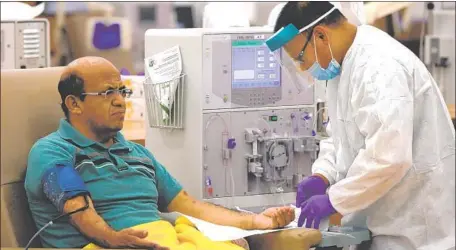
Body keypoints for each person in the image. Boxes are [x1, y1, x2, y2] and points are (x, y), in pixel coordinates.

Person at [24, 56, 295, 249]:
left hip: (160, 240)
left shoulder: (138, 154)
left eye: (122, 91)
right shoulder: (52, 151)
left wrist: (255, 220)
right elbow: (80, 211)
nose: (120, 100)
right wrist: (116, 240)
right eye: (107, 92)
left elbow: (188, 206)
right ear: (74, 104)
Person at [266, 1, 455, 250]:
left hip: (417, 230)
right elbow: (340, 137)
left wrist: (334, 200)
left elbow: (389, 158)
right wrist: (322, 174)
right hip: (380, 223)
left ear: (320, 35)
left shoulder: (380, 67)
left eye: (300, 58)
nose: (302, 68)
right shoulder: (341, 65)